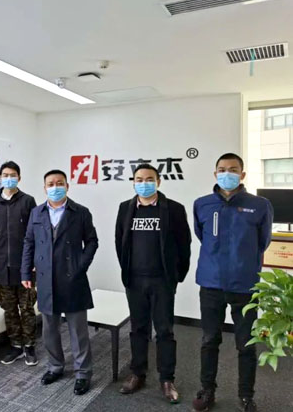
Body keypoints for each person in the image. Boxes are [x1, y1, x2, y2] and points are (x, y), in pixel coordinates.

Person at [192, 153, 273, 412]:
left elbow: (263, 242)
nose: (227, 173)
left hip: (244, 285)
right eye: (222, 169)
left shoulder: (259, 205)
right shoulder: (202, 204)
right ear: (215, 173)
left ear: (243, 174)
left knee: (245, 344)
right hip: (211, 283)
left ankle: (246, 395)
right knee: (209, 340)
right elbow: (202, 235)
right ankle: (207, 390)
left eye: (233, 169)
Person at [115, 163, 191, 403]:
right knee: (138, 329)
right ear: (133, 182)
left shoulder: (174, 209)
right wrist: (127, 271)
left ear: (158, 182)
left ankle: (167, 379)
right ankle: (138, 373)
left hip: (162, 281)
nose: (144, 183)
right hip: (135, 280)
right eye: (139, 179)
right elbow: (120, 242)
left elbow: (184, 245)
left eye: (149, 179)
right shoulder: (125, 208)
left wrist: (176, 276)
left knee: (165, 331)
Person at [21, 169, 98, 395]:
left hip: (73, 278)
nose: (55, 187)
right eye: (51, 184)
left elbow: (92, 241)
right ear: (45, 188)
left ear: (67, 186)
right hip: (46, 278)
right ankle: (55, 367)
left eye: (59, 183)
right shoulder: (36, 212)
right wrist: (25, 273)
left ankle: (83, 373)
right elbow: (28, 242)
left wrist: (80, 266)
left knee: (78, 330)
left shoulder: (80, 212)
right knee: (49, 329)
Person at [0, 161, 38, 365]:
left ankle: (29, 346)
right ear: (0, 177)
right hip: (1, 264)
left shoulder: (28, 201)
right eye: (5, 175)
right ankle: (15, 346)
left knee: (27, 307)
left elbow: (36, 232)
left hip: (25, 265)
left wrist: (35, 260)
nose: (8, 178)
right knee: (9, 308)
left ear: (19, 178)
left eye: (12, 175)